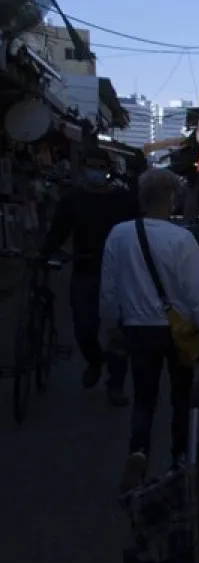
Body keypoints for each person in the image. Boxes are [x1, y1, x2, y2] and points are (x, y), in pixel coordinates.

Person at [100, 170, 199, 464]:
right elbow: (198, 292)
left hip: (137, 330)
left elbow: (109, 287)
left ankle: (138, 451)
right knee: (181, 397)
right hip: (179, 332)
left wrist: (111, 325)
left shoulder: (119, 234)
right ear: (171, 200)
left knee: (144, 397)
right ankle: (180, 457)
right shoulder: (182, 238)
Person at [40, 147, 137, 405]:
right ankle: (95, 361)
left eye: (100, 166)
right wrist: (41, 254)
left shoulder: (124, 199)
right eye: (91, 166)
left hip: (120, 274)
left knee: (118, 333)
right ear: (83, 168)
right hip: (85, 271)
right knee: (84, 329)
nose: (96, 171)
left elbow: (138, 232)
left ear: (108, 169)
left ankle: (115, 385)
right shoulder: (72, 200)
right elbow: (57, 233)